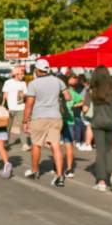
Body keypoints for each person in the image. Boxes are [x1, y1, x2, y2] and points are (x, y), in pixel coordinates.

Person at [23, 59, 72, 187]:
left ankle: (34, 171)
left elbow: (29, 104)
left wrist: (25, 121)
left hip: (39, 117)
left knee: (36, 144)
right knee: (55, 145)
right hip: (55, 117)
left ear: (38, 70)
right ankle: (60, 176)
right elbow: (68, 97)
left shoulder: (33, 84)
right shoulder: (58, 81)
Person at [83, 66, 112, 192]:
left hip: (98, 123)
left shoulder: (92, 90)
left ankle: (101, 181)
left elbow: (85, 109)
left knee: (100, 151)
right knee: (110, 150)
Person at [2, 66, 29, 150]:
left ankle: (24, 144)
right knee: (7, 126)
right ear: (16, 75)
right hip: (10, 107)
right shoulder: (8, 82)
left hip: (21, 107)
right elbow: (5, 96)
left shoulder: (23, 83)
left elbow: (26, 94)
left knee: (22, 125)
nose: (23, 75)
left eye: (22, 74)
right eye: (21, 74)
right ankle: (5, 143)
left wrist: (23, 95)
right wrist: (6, 107)